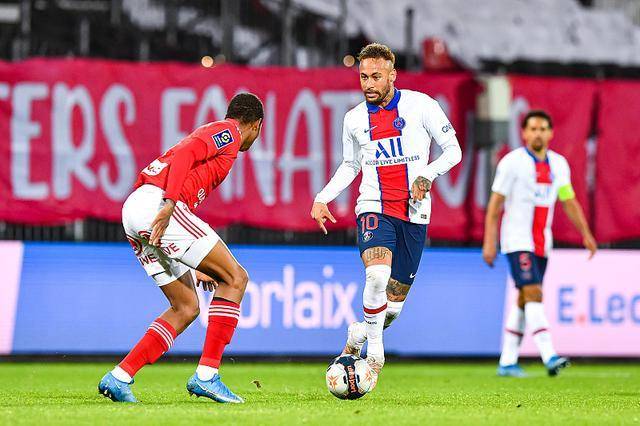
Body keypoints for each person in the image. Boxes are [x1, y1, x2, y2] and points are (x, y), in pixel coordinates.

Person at [98, 93, 264, 403]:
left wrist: (196, 262)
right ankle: (207, 375)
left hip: (137, 209)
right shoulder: (228, 132)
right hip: (158, 204)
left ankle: (119, 377)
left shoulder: (223, 140)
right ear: (256, 125)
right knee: (236, 278)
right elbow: (186, 152)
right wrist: (169, 203)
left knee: (186, 306)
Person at [310, 43, 462, 374]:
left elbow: (453, 151)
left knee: (391, 309)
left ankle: (358, 335)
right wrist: (323, 197)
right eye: (363, 77)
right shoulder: (354, 119)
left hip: (414, 214)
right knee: (377, 276)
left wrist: (427, 174)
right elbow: (350, 165)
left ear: (393, 75)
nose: (368, 84)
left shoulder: (422, 106)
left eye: (376, 76)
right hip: (374, 206)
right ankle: (375, 357)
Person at [482, 110, 597, 377]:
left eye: (543, 129)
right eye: (532, 129)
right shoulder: (511, 163)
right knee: (534, 293)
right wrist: (489, 242)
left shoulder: (559, 164)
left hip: (542, 243)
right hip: (516, 241)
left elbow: (568, 200)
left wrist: (586, 233)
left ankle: (507, 362)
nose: (538, 134)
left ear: (550, 133)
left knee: (525, 299)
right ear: (524, 133)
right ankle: (550, 356)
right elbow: (495, 205)